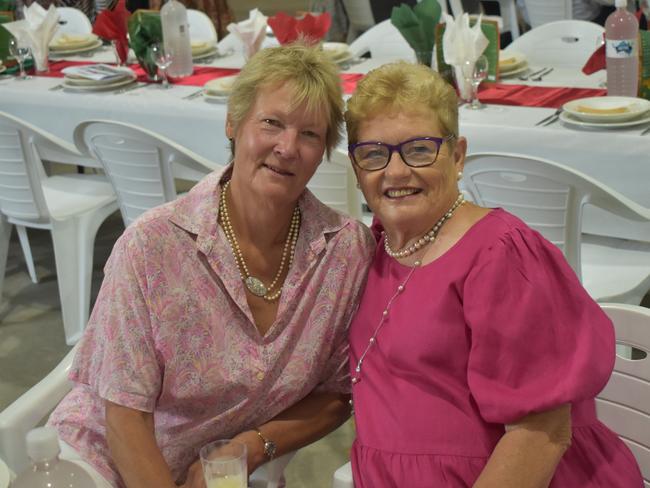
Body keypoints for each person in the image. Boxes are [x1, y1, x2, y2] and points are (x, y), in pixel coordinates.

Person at [47, 42, 374, 488]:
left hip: (218, 473)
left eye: (310, 135)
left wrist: (253, 446)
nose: (287, 147)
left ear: (324, 151)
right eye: (271, 123)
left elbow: (339, 393)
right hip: (102, 465)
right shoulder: (154, 246)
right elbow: (123, 416)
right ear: (233, 123)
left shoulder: (343, 252)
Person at [345, 61, 643, 487]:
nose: (395, 171)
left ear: (458, 155)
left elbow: (540, 435)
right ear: (356, 169)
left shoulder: (500, 255)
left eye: (419, 149)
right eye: (374, 154)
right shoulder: (372, 250)